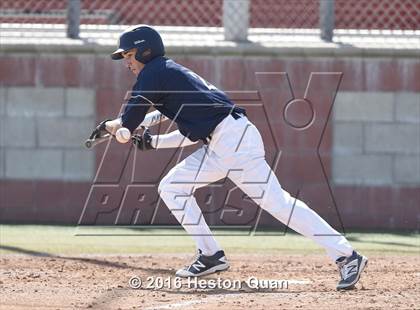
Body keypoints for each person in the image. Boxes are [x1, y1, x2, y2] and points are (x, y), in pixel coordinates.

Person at [92, 25, 368, 290]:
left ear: (145, 52)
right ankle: (211, 255)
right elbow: (174, 122)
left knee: (278, 204)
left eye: (129, 55)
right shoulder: (166, 74)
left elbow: (135, 112)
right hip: (223, 143)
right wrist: (140, 135)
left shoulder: (154, 71)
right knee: (172, 187)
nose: (127, 62)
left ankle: (346, 255)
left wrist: (118, 126)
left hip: (233, 141)